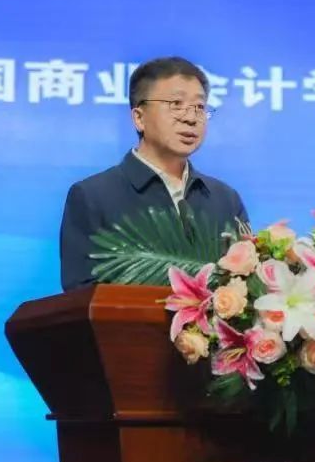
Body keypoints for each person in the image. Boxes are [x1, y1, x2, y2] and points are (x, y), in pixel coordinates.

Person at [59, 56, 249, 290]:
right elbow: (82, 293)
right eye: (176, 104)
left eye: (199, 107)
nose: (191, 118)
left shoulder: (226, 200)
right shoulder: (93, 197)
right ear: (139, 118)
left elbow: (245, 286)